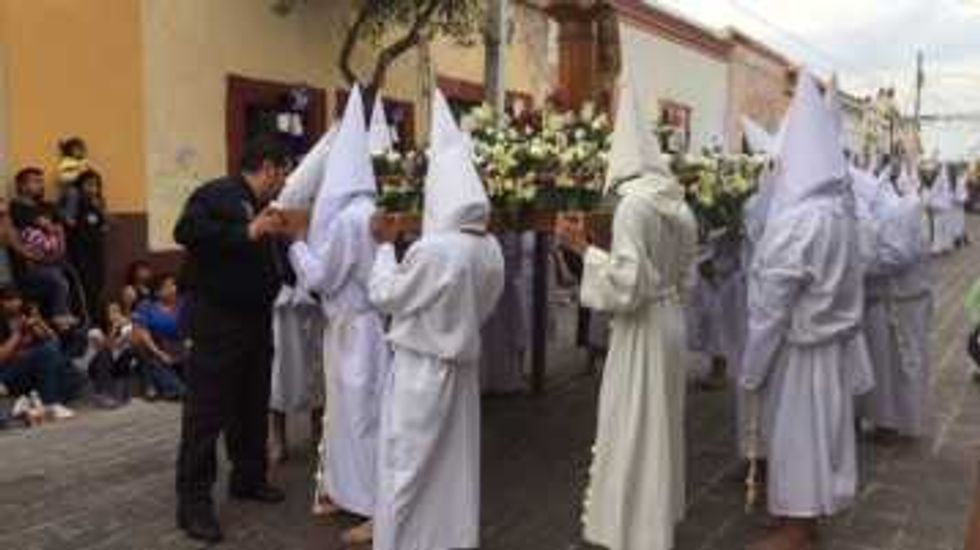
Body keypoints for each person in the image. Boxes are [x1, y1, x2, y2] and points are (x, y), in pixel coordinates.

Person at [554, 73, 698, 550]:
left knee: (633, 422)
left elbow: (627, 284)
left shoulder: (633, 207)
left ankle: (632, 530)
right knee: (660, 424)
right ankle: (652, 523)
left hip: (643, 329)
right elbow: (682, 276)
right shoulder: (680, 206)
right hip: (671, 320)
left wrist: (580, 250)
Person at [740, 72, 874, 550]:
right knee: (822, 435)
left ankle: (796, 527)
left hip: (802, 350)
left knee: (799, 437)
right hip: (832, 347)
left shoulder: (798, 224)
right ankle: (802, 520)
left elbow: (772, 307)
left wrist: (752, 366)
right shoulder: (842, 213)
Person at [368, 89, 504, 550]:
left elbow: (384, 295)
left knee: (406, 466)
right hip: (462, 369)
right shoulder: (490, 248)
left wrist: (386, 246)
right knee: (452, 470)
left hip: (422, 370)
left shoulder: (435, 250)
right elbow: (485, 305)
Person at [173, 135, 289, 544]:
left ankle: (249, 476)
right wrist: (247, 231)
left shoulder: (269, 208)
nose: (284, 181)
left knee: (252, 401)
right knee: (207, 412)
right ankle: (193, 503)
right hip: (219, 320)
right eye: (282, 173)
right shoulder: (218, 193)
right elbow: (185, 231)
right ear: (269, 168)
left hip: (257, 319)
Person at [285, 85, 389, 544]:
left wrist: (295, 244)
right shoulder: (367, 209)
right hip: (357, 327)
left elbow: (323, 277)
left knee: (361, 417)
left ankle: (371, 506)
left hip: (355, 329)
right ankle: (345, 491)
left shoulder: (350, 218)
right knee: (347, 416)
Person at [265, 121, 336, 467]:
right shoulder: (283, 200)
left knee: (318, 369)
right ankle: (276, 436)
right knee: (283, 368)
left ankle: (318, 430)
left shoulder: (333, 202)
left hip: (318, 296)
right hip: (288, 296)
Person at [0, 287, 77, 421]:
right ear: (2, 303)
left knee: (71, 373)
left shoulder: (25, 316)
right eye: (10, 300)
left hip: (34, 369)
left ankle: (30, 403)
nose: (15, 304)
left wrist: (39, 323)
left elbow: (55, 342)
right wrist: (17, 333)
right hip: (9, 373)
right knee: (47, 351)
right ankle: (50, 403)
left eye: (17, 300)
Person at [60, 170, 108, 323]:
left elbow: (102, 226)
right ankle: (87, 324)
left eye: (96, 185)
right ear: (80, 186)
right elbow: (68, 221)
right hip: (80, 254)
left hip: (97, 252)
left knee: (98, 285)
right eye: (89, 185)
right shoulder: (75, 200)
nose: (93, 189)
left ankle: (96, 321)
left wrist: (100, 210)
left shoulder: (97, 203)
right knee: (85, 288)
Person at [132, 275, 187, 400]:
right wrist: (160, 353)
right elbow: (142, 332)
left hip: (180, 345)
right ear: (157, 292)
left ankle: (166, 389)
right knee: (149, 355)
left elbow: (192, 327)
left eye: (174, 285)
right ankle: (177, 390)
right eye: (168, 286)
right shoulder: (146, 305)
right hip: (156, 346)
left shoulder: (183, 303)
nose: (173, 289)